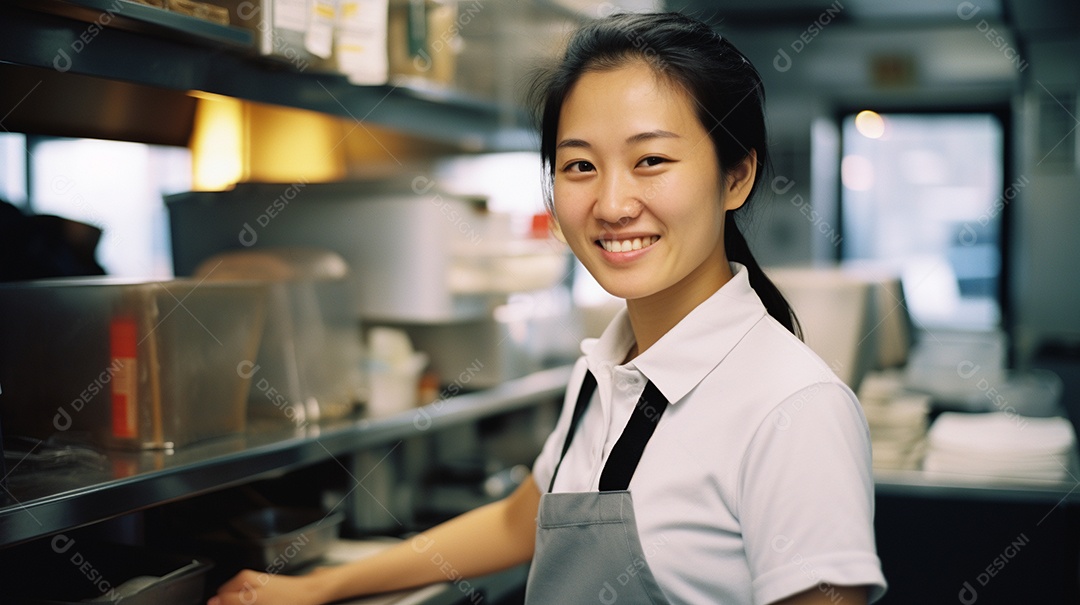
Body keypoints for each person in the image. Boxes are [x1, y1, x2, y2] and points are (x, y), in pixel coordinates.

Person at [210, 12, 887, 605]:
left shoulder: (794, 407)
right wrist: (318, 585)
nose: (613, 204)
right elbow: (520, 519)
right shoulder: (607, 368)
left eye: (651, 160)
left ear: (735, 175)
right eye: (580, 166)